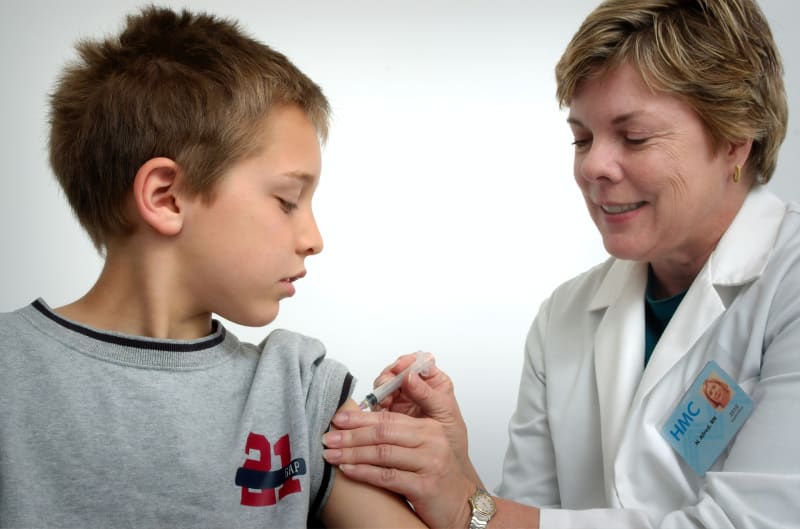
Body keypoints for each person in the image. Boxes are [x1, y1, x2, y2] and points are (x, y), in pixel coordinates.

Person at [321, 0, 799, 527]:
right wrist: (456, 471)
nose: (593, 165)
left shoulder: (787, 283)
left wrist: (463, 507)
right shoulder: (565, 316)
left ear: (735, 137)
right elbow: (521, 518)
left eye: (634, 137)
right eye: (582, 138)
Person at [0, 6, 426, 529]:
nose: (314, 240)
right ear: (167, 197)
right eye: (288, 200)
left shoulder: (298, 391)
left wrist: (456, 479)